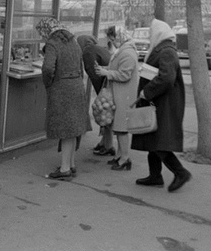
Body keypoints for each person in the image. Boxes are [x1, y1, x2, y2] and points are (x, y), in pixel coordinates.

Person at [131, 19, 192, 192]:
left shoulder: (166, 51)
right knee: (153, 140)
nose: (150, 36)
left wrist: (146, 92)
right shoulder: (164, 49)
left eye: (151, 33)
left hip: (164, 104)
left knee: (160, 143)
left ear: (158, 33)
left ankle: (181, 173)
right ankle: (155, 176)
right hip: (160, 102)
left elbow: (167, 78)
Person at [36, 17, 91, 180]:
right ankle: (71, 164)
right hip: (76, 87)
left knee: (66, 130)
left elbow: (47, 68)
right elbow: (80, 66)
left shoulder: (52, 43)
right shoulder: (73, 42)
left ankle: (65, 169)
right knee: (73, 129)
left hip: (62, 89)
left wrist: (48, 84)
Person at [94, 26, 139, 171]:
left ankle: (125, 158)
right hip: (121, 94)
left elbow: (124, 75)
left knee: (122, 128)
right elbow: (117, 67)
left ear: (119, 36)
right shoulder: (124, 50)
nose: (112, 41)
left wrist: (106, 72)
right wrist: (104, 69)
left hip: (124, 95)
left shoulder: (127, 53)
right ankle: (119, 156)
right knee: (119, 128)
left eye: (113, 38)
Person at [77, 35, 115, 157]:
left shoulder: (87, 52)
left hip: (105, 86)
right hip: (110, 84)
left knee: (105, 114)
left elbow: (94, 74)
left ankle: (108, 146)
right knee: (108, 114)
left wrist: (100, 93)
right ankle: (104, 142)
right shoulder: (98, 48)